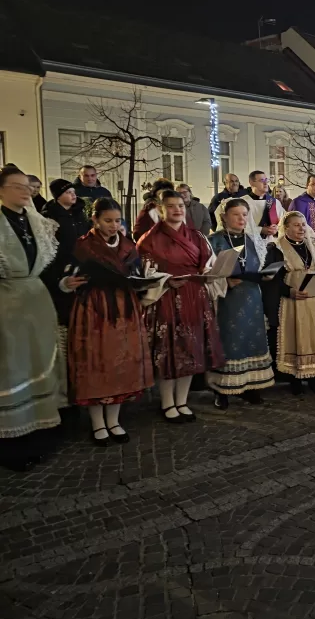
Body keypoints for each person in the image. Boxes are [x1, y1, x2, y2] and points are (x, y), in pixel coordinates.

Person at [67, 198, 154, 445]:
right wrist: (69, 282)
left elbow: (136, 271)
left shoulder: (127, 244)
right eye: (107, 220)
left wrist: (143, 281)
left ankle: (114, 420)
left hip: (124, 306)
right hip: (94, 307)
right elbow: (71, 273)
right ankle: (97, 423)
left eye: (117, 221)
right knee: (96, 362)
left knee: (120, 362)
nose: (113, 225)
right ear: (94, 219)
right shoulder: (83, 245)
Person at [137, 190, 225, 423]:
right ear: (160, 209)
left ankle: (182, 401)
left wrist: (208, 272)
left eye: (180, 206)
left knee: (191, 350)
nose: (177, 210)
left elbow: (208, 262)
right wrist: (166, 280)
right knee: (168, 352)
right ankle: (167, 402)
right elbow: (144, 272)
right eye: (171, 206)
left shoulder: (197, 236)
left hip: (194, 296)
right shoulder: (149, 239)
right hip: (165, 297)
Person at [0, 166, 65, 471]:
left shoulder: (38, 222)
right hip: (6, 303)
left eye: (28, 186)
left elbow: (48, 267)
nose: (26, 191)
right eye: (17, 186)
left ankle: (41, 433)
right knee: (12, 367)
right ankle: (12, 443)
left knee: (40, 363)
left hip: (38, 302)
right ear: (1, 190)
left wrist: (63, 284)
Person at [206, 199, 276, 408]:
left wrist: (266, 275)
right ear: (224, 216)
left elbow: (258, 265)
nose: (241, 218)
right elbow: (206, 273)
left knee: (251, 340)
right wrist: (224, 281)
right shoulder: (213, 241)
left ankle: (250, 386)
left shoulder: (252, 239)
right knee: (227, 343)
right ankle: (221, 390)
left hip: (252, 299)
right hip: (226, 301)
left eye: (244, 214)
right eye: (236, 214)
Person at [262, 212, 315, 395]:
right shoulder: (276, 249)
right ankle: (294, 377)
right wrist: (289, 291)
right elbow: (270, 279)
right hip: (292, 304)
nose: (301, 228)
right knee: (295, 337)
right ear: (285, 227)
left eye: (303, 224)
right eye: (296, 225)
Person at [41, 178, 91, 332]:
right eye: (68, 192)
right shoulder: (50, 217)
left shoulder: (79, 213)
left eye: (74, 192)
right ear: (58, 196)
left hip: (81, 263)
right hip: (60, 266)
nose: (73, 195)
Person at [237, 170, 285, 243]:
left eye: (266, 180)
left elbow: (282, 222)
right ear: (251, 183)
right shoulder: (242, 202)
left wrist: (276, 228)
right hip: (249, 243)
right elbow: (237, 226)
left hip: (271, 243)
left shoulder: (274, 202)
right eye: (261, 180)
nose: (265, 183)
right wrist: (261, 230)